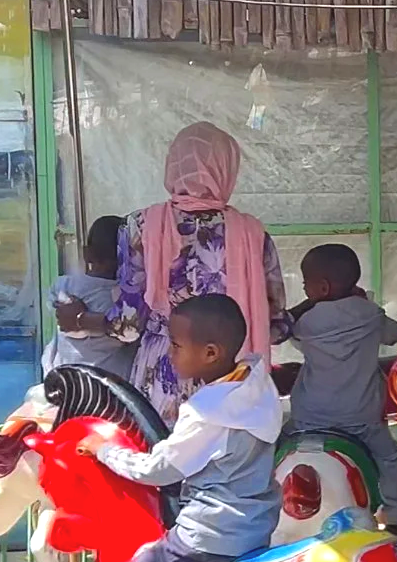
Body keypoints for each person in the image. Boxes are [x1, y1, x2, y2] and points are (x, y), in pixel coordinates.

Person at [84, 294, 284, 562]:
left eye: (175, 345)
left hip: (208, 534)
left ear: (210, 353)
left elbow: (159, 469)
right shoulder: (254, 383)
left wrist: (106, 452)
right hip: (256, 526)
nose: (170, 353)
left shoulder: (208, 413)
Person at [56, 123, 290, 421]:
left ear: (173, 165)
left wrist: (79, 319)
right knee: (227, 460)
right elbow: (276, 326)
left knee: (164, 458)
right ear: (227, 168)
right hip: (232, 375)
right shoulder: (253, 233)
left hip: (163, 372)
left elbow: (127, 327)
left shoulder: (141, 226)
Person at [278, 243, 397, 522]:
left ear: (322, 288)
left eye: (305, 285)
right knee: (390, 460)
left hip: (309, 417)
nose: (305, 290)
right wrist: (366, 303)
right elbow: (393, 334)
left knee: (271, 450)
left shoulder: (307, 324)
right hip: (361, 418)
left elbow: (286, 326)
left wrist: (310, 304)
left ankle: (262, 506)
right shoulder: (371, 315)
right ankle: (394, 516)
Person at [45, 215, 132, 378]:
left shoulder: (64, 285)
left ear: (87, 254)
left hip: (65, 378)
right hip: (108, 385)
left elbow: (52, 306)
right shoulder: (123, 299)